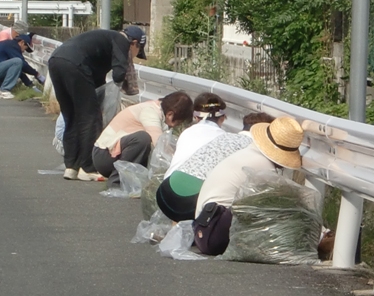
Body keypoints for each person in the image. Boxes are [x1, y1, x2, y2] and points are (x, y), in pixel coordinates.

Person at [192, 116, 304, 256]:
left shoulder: (248, 153)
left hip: (203, 228)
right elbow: (282, 205)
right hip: (214, 233)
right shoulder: (263, 166)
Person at [48, 27, 147, 182]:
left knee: (72, 117)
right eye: (138, 51)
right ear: (134, 43)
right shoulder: (121, 40)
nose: (134, 57)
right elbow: (119, 73)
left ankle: (71, 166)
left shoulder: (103, 42)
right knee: (91, 118)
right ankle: (87, 168)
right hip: (75, 64)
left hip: (56, 61)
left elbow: (97, 82)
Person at [92, 91, 194, 188]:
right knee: (143, 139)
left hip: (112, 155)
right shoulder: (150, 111)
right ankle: (116, 181)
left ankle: (132, 182)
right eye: (179, 121)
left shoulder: (160, 113)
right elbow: (159, 143)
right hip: (103, 155)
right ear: (170, 114)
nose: (178, 125)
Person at [155, 93, 229, 222]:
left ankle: (176, 226)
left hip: (164, 195)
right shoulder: (225, 138)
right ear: (222, 118)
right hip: (195, 204)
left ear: (195, 117)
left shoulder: (186, 133)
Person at [0, 34, 45, 99]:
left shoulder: (7, 45)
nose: (24, 51)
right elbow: (22, 64)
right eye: (25, 48)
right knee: (18, 61)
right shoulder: (12, 46)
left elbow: (18, 71)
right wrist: (37, 74)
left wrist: (31, 86)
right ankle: (4, 90)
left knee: (17, 63)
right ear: (22, 42)